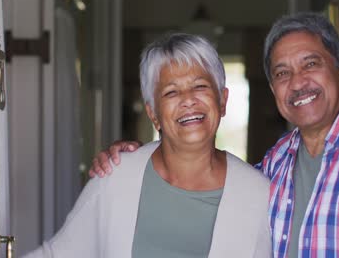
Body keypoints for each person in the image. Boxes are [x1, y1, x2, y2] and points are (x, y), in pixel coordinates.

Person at [90, 13, 339, 257]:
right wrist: (133, 160)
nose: (298, 82)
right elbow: (210, 187)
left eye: (311, 64)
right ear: (273, 90)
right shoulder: (279, 158)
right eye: (282, 72)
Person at [23, 33, 272, 258]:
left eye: (200, 86)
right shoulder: (116, 175)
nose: (188, 100)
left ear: (222, 100)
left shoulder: (257, 193)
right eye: (171, 92)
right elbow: (58, 254)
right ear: (153, 114)